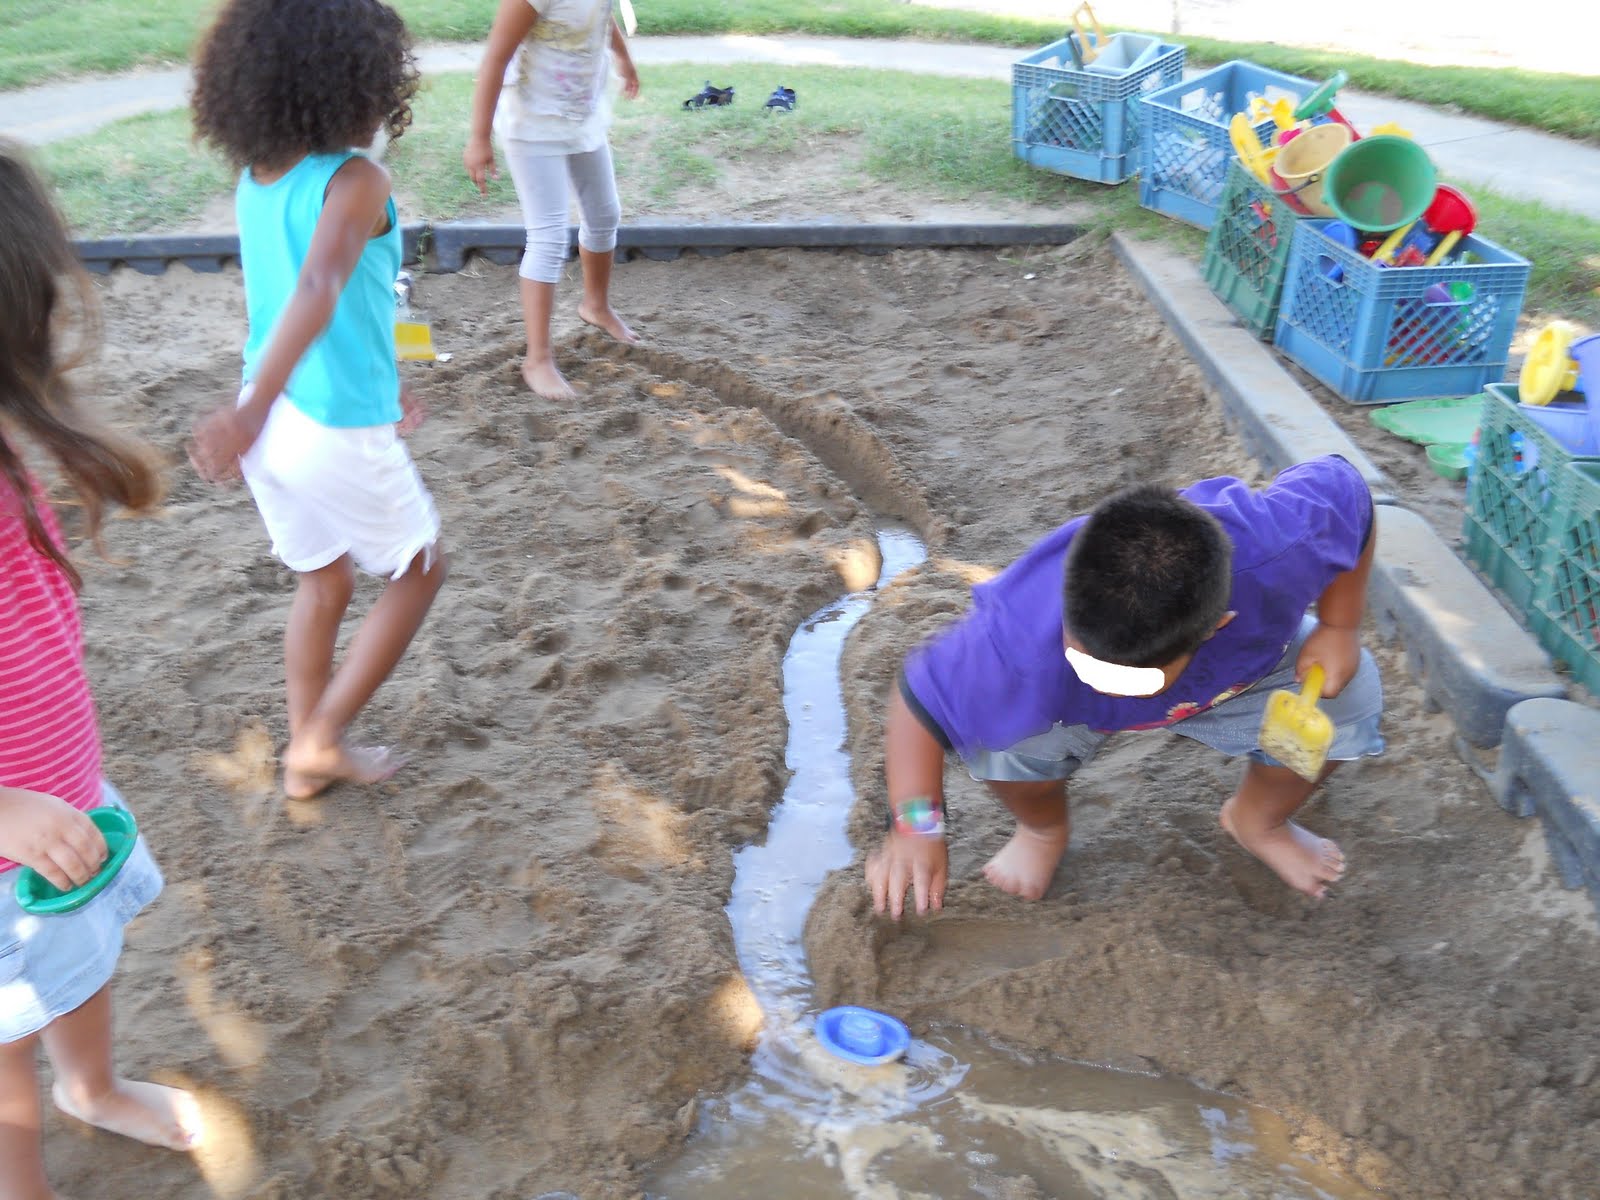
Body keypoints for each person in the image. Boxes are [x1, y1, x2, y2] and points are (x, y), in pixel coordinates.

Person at [867, 455, 1382, 919]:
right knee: (1003, 746)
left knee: (1348, 698)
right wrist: (915, 828)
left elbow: (1347, 493)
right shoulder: (1016, 639)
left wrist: (1340, 626)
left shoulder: (1275, 548)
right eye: (1086, 660)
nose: (1106, 685)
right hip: (1061, 705)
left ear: (1215, 627)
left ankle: (1258, 821)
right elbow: (919, 703)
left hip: (1241, 674)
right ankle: (1043, 829)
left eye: (1127, 678)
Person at [0, 142, 199, 1200]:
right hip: (7, 838)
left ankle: (95, 1088)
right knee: (4, 1052)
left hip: (59, 796)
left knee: (83, 960)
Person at [189, 0, 447, 801]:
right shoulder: (358, 180)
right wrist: (250, 411)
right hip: (323, 421)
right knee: (421, 567)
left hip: (272, 419)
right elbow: (320, 286)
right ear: (355, 82)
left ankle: (306, 758)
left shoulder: (258, 179)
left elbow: (340, 298)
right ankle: (319, 740)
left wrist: (260, 408)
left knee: (325, 583)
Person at [463, 0, 642, 400]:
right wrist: (479, 138)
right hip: (533, 124)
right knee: (549, 237)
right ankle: (538, 359)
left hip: (580, 117)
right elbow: (495, 59)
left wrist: (624, 59)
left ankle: (595, 306)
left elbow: (601, 16)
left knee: (604, 214)